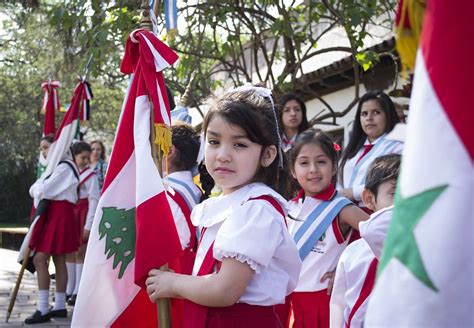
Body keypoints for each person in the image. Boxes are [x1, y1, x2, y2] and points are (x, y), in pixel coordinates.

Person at [146, 87, 302, 327]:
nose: (222, 155)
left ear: (268, 154)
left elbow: (225, 290)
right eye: (214, 141)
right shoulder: (229, 204)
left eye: (239, 145)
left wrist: (172, 283)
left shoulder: (256, 209)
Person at [286, 128, 369, 328]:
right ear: (293, 170)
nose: (313, 169)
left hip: (324, 305)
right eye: (304, 162)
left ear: (333, 167)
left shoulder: (341, 208)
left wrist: (346, 271)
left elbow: (382, 236)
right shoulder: (289, 207)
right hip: (288, 304)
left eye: (321, 161)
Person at [330, 154, 401, 328]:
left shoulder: (422, 250)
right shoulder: (353, 252)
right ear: (369, 198)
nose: (404, 203)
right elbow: (338, 304)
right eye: (395, 193)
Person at [26, 151, 81, 324]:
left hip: (59, 214)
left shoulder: (64, 166)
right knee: (58, 258)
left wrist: (37, 187)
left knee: (40, 259)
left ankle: (43, 308)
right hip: (56, 214)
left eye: (47, 147)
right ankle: (59, 305)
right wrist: (38, 187)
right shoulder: (58, 166)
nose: (44, 152)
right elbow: (38, 189)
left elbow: (43, 190)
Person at [164, 122, 203, 328]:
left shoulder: (166, 192)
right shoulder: (196, 188)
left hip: (174, 278)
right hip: (194, 277)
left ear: (169, 152)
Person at [338, 90, 402, 209]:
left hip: (376, 214)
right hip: (343, 213)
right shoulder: (353, 148)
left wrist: (354, 192)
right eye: (364, 114)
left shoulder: (398, 147)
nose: (369, 118)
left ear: (388, 115)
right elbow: (338, 179)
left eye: (376, 112)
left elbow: (393, 183)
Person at [66, 141, 100, 306]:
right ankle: (68, 288)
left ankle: (78, 290)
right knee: (69, 252)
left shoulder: (91, 175)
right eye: (82, 157)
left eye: (88, 158)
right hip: (70, 214)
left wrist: (88, 226)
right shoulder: (68, 172)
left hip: (83, 214)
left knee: (80, 252)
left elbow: (94, 200)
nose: (86, 161)